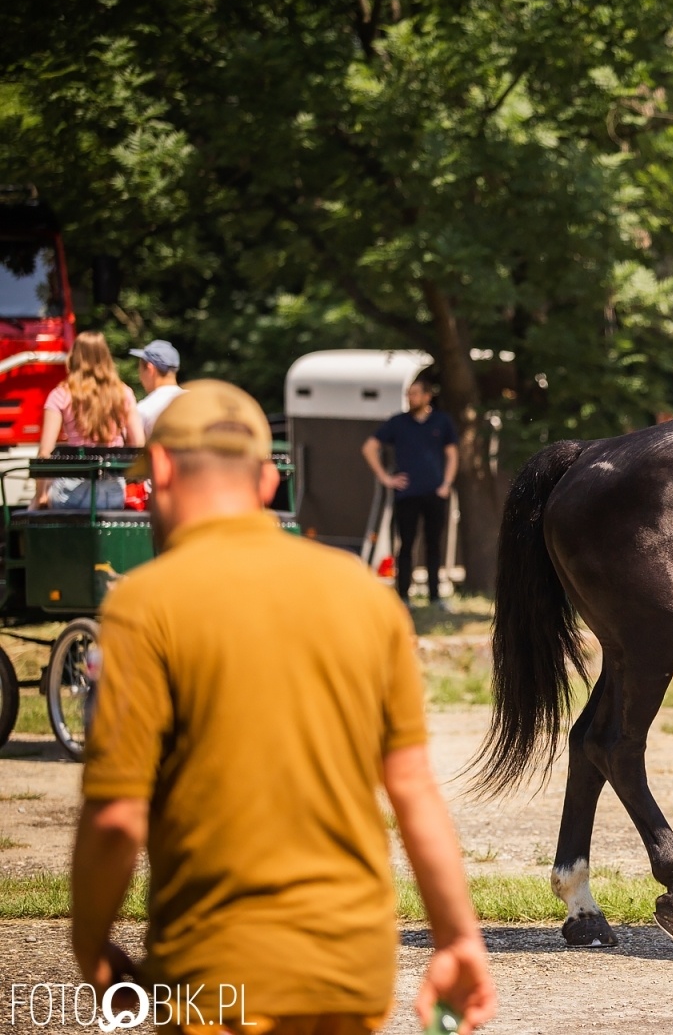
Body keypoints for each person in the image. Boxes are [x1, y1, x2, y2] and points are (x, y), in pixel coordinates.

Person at [72, 380, 496, 1035]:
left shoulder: (144, 604)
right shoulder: (366, 597)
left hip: (218, 974)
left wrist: (91, 945)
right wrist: (458, 939)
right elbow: (413, 787)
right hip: (353, 970)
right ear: (268, 481)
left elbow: (116, 815)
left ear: (160, 469)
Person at [362, 379, 459, 605]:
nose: (410, 398)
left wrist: (446, 484)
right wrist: (385, 478)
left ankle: (435, 596)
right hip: (407, 494)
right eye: (408, 393)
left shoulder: (442, 421)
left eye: (414, 393)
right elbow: (369, 447)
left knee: (433, 545)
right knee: (405, 544)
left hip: (435, 493)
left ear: (427, 396)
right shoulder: (398, 422)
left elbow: (453, 454)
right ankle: (403, 595)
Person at [36, 331, 144, 509]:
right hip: (112, 494)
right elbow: (138, 443)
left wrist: (40, 496)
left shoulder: (60, 394)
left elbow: (44, 452)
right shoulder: (124, 393)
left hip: (69, 494)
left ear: (75, 357)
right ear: (106, 357)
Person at [132, 338, 184, 436]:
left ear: (150, 369)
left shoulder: (143, 410)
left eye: (140, 370)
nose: (140, 377)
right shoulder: (194, 401)